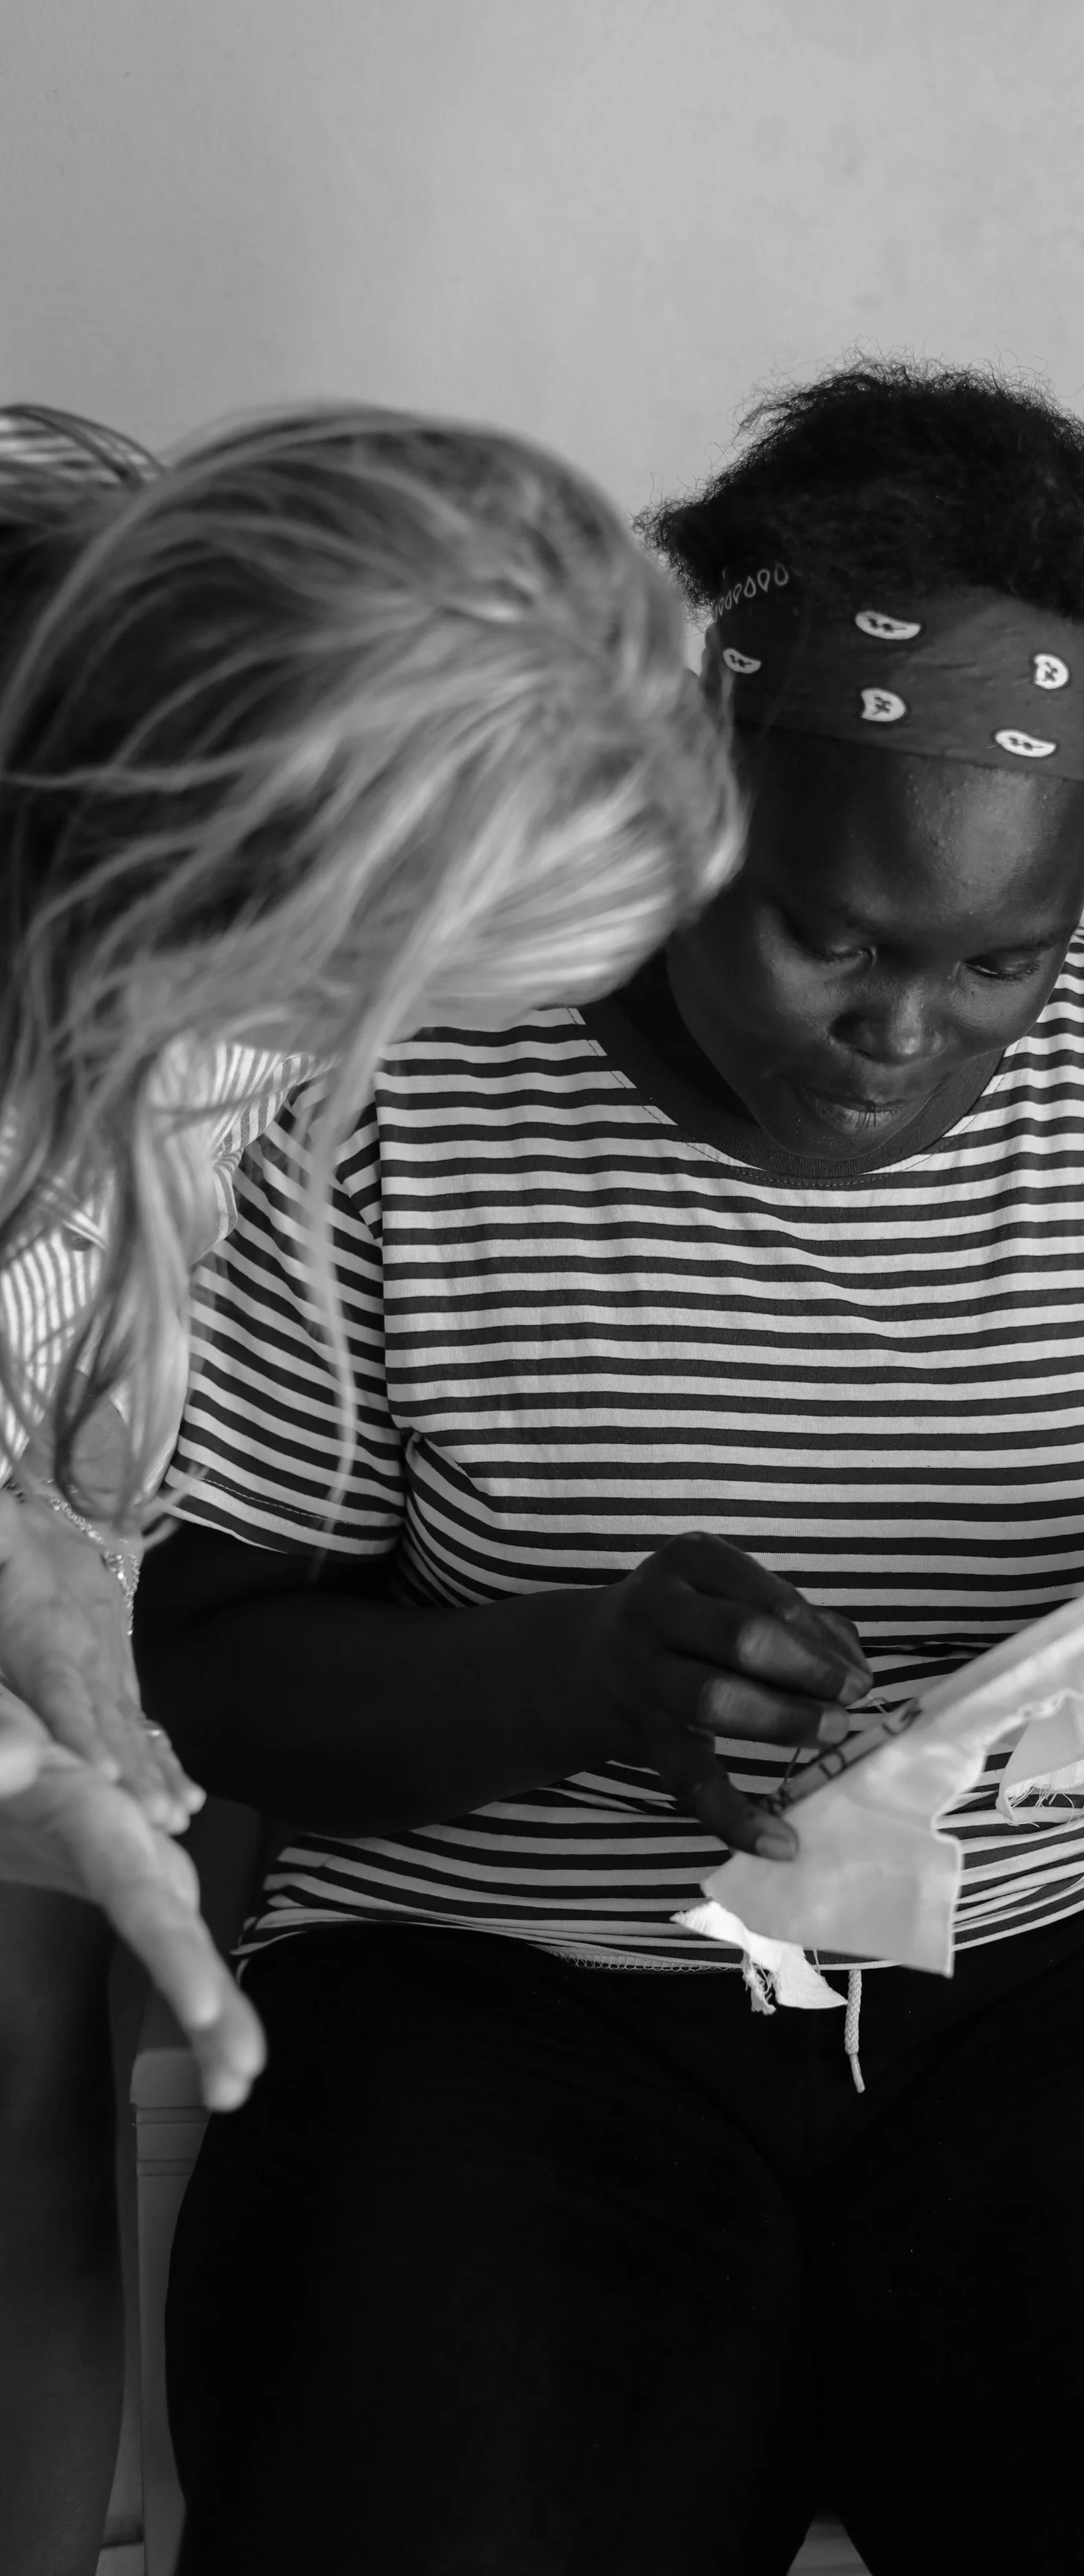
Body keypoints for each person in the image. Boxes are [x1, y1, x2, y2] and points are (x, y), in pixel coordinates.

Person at [137, 361, 1084, 2575]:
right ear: (696, 792)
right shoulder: (397, 1099)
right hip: (507, 1998)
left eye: (1000, 963)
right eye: (831, 933)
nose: (906, 1033)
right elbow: (207, 1667)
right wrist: (575, 1679)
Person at [0, 401, 739, 2576]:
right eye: (351, 1002)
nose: (341, 1071)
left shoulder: (182, 908)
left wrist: (45, 1546)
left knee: (50, 2071)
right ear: (207, 868)